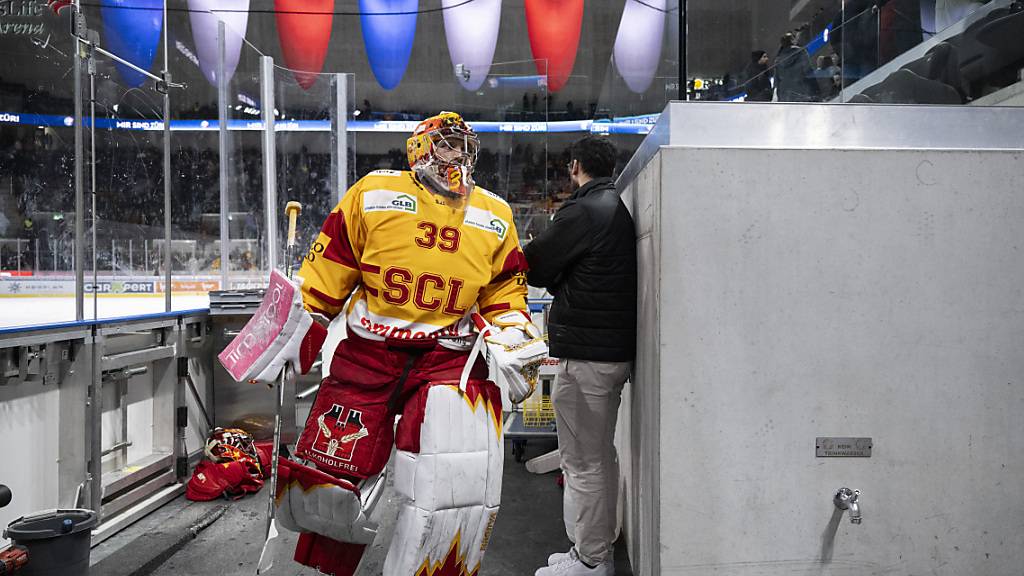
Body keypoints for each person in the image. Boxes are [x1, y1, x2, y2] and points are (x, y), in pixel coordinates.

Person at [223, 111, 547, 576]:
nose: (460, 156)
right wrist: (304, 321)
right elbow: (329, 267)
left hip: (449, 357)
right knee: (329, 486)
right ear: (421, 147)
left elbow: (505, 287)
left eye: (465, 146)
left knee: (456, 483)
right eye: (449, 144)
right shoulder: (373, 193)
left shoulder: (495, 214)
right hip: (370, 351)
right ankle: (328, 567)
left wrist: (515, 330)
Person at [523, 135, 637, 576]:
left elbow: (536, 263)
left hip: (587, 359)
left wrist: (556, 277)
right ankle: (592, 551)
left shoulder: (584, 210)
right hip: (606, 355)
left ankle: (591, 560)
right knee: (598, 458)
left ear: (574, 166)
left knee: (583, 463)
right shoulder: (612, 207)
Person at [775, 32, 820, 102]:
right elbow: (808, 71)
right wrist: (816, 90)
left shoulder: (778, 59)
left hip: (785, 96)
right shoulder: (801, 52)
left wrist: (780, 97)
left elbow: (777, 81)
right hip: (801, 93)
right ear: (792, 40)